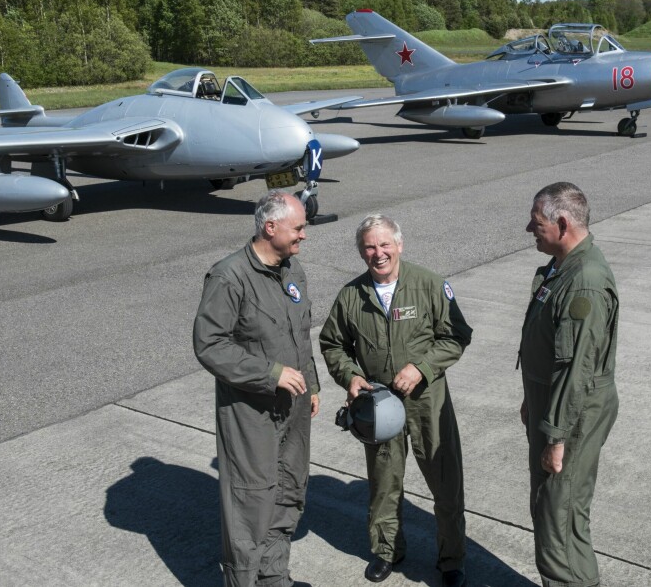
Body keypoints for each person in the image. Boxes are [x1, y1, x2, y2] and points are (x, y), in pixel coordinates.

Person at [319, 214, 472, 587]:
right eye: (370, 247)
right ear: (361, 252)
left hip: (427, 403)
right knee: (384, 482)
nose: (379, 253)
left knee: (445, 481)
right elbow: (333, 343)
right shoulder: (352, 296)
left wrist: (421, 368)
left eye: (385, 244)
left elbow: (456, 335)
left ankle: (451, 559)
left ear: (399, 245)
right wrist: (351, 376)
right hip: (379, 406)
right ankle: (387, 551)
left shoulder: (430, 285)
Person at [193, 190, 320, 587]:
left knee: (288, 488)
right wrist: (270, 374)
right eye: (298, 227)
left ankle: (273, 576)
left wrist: (311, 385)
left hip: (294, 406)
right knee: (251, 500)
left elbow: (301, 333)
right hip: (251, 412)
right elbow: (209, 345)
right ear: (271, 227)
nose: (304, 235)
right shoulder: (229, 276)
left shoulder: (292, 269)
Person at [519, 182, 620, 587]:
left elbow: (576, 368)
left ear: (562, 223)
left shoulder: (584, 281)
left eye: (536, 221)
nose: (530, 228)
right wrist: (532, 399)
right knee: (559, 508)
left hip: (570, 415)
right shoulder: (565, 267)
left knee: (557, 514)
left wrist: (557, 437)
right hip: (553, 406)